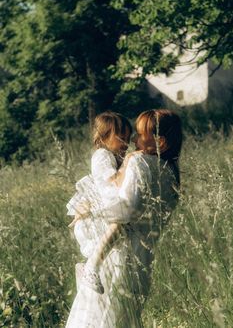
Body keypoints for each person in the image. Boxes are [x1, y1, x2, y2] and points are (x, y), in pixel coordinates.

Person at [65, 109, 182, 328]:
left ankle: (90, 266)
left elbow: (124, 209)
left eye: (139, 134)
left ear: (160, 141)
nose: (133, 142)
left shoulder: (138, 163)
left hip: (118, 258)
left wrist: (92, 208)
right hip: (143, 259)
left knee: (98, 319)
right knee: (124, 319)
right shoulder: (172, 172)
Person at [66, 111, 133, 294]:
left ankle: (93, 270)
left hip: (105, 203)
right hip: (103, 206)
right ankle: (91, 269)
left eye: (128, 138)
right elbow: (110, 182)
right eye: (121, 137)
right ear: (103, 137)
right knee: (116, 228)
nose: (126, 143)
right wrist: (128, 163)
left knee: (113, 245)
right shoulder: (102, 155)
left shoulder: (112, 156)